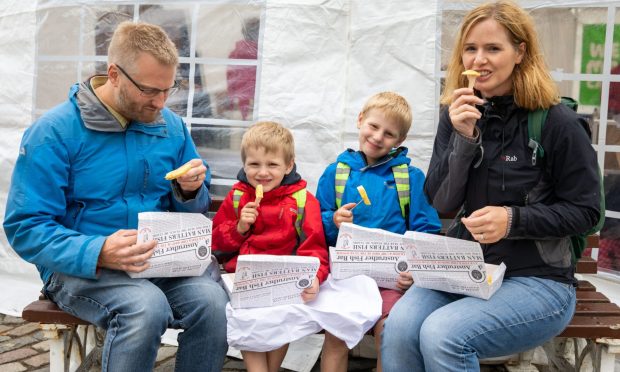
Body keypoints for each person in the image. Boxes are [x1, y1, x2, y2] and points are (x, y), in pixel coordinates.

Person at [381, 1, 601, 371]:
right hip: (466, 269)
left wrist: (513, 219)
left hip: (539, 282)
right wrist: (463, 140)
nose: (479, 59)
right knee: (400, 327)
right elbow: (441, 203)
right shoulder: (457, 115)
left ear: (520, 52)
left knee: (443, 334)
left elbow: (588, 212)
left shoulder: (557, 123)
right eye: (471, 48)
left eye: (493, 48)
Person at [3, 21, 228, 372]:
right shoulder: (53, 132)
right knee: (145, 307)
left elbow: (195, 208)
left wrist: (191, 190)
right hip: (79, 267)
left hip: (157, 260)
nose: (162, 103)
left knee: (212, 303)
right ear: (114, 74)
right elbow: (25, 227)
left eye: (170, 89)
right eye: (150, 91)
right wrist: (98, 251)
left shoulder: (170, 127)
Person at [315, 91, 441, 372]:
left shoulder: (410, 178)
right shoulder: (336, 173)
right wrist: (333, 220)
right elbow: (315, 226)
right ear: (360, 121)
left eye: (389, 133)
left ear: (400, 141)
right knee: (337, 335)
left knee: (389, 331)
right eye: (373, 126)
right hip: (346, 277)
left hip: (391, 280)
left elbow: (426, 230)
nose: (378, 136)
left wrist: (415, 270)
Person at [212, 121, 329, 372]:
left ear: (288, 165)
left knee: (281, 321)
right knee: (248, 318)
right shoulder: (237, 196)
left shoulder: (302, 200)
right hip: (243, 280)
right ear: (244, 164)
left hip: (284, 281)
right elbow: (215, 242)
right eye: (254, 164)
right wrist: (240, 227)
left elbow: (315, 249)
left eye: (272, 165)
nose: (262, 173)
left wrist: (315, 278)